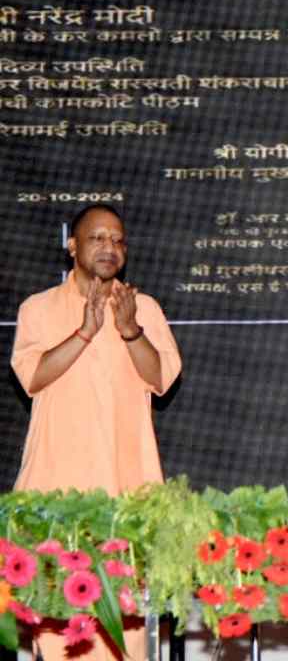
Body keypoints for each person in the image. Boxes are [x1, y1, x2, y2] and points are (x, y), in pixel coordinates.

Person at [9, 204, 182, 659]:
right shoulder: (38, 308)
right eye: (97, 238)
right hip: (54, 497)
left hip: (126, 497)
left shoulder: (142, 308)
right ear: (72, 246)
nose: (110, 248)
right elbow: (33, 377)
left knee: (125, 637)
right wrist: (86, 331)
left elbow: (162, 378)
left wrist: (129, 331)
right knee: (58, 630)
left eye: (118, 240)